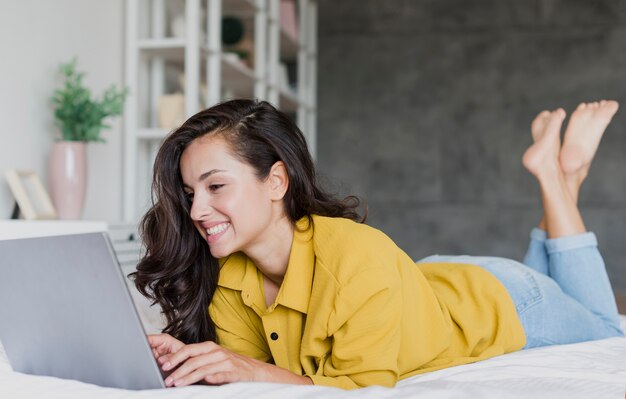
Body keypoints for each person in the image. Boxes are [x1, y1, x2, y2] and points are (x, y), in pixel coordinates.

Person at [132, 99, 624, 390]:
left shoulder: (353, 256)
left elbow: (361, 391)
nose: (197, 211)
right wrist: (197, 361)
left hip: (502, 301)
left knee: (609, 332)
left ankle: (555, 176)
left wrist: (248, 370)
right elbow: (256, 378)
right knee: (577, 301)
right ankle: (565, 176)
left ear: (276, 181)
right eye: (192, 193)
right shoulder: (232, 280)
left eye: (217, 187)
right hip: (426, 283)